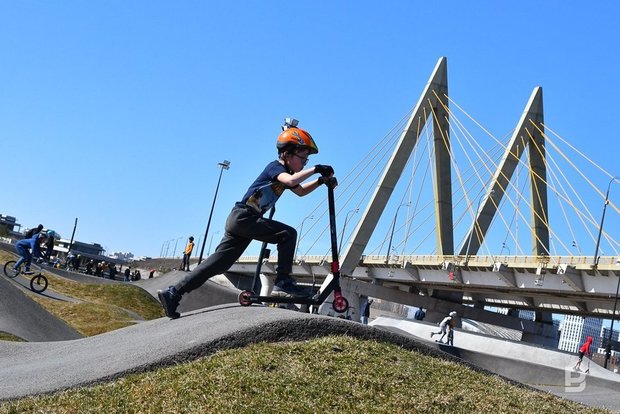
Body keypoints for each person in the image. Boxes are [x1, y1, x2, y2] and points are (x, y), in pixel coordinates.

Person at [158, 118, 334, 319]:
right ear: (287, 153)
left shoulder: (286, 174)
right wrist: (316, 169)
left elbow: (300, 191)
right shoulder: (275, 168)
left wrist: (321, 181)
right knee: (287, 234)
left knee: (218, 265)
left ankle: (174, 292)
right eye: (303, 158)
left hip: (243, 222)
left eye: (306, 161)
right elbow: (292, 180)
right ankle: (283, 280)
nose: (304, 163)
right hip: (243, 217)